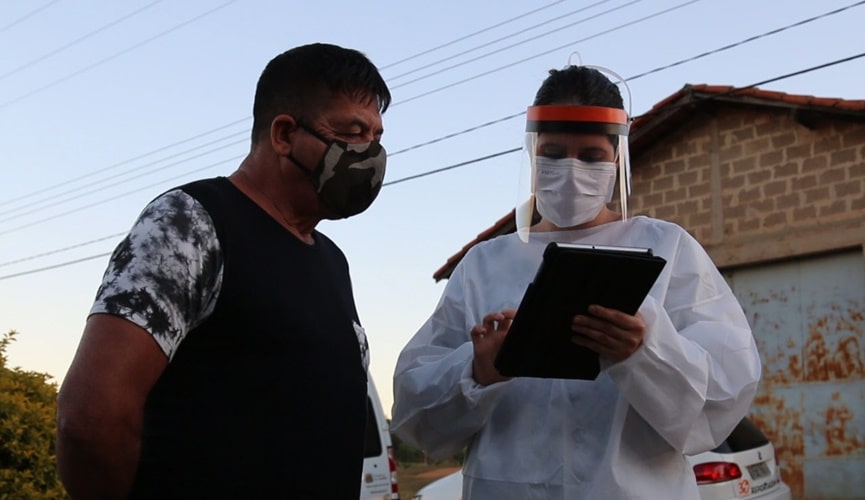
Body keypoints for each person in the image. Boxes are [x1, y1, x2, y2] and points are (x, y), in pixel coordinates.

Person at [391, 64, 762, 499]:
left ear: (617, 158)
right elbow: (416, 413)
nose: (570, 170)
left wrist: (646, 350)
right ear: (532, 155)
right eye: (552, 153)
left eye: (590, 156)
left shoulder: (667, 248)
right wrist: (477, 370)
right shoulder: (484, 265)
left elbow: (725, 393)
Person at [56, 43, 391, 499]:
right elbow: (90, 417)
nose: (369, 152)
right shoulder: (192, 222)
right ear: (284, 134)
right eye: (352, 133)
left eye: (375, 136)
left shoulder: (332, 260)